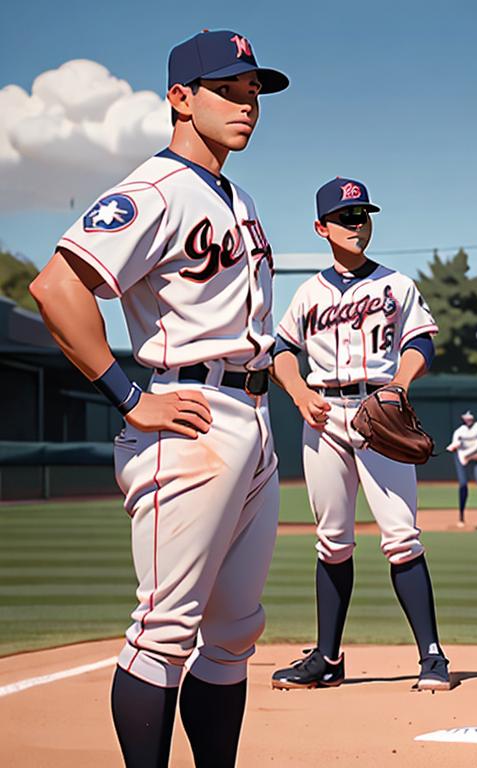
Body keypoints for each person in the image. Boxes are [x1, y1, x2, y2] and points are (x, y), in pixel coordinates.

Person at [28, 29, 287, 767]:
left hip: (252, 420)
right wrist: (127, 393)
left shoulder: (235, 197)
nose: (247, 104)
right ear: (180, 97)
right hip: (187, 417)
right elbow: (57, 288)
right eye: (228, 88)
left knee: (235, 631)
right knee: (165, 630)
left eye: (253, 91)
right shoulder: (154, 190)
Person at [269, 177, 450, 692]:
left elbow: (421, 343)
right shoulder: (308, 292)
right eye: (345, 217)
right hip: (324, 415)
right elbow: (282, 351)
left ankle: (432, 656)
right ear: (321, 227)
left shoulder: (397, 285)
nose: (356, 224)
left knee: (401, 537)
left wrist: (399, 384)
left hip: (379, 413)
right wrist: (300, 394)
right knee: (332, 542)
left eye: (362, 215)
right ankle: (326, 658)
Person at [446, 410, 477, 528]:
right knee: (463, 485)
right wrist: (453, 447)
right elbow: (455, 445)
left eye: (470, 417)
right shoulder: (459, 431)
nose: (468, 420)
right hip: (462, 458)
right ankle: (461, 518)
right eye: (466, 418)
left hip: (476, 457)